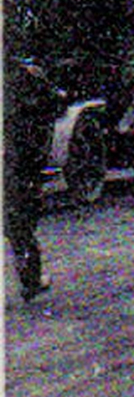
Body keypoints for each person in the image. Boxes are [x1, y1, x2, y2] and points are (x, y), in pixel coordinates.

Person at [6, 55, 67, 300]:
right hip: (19, 160)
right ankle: (30, 281)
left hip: (15, 157)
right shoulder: (28, 75)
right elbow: (56, 105)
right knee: (21, 220)